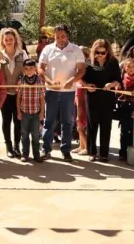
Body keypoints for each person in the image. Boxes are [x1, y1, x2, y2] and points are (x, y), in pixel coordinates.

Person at [39, 24, 86, 161]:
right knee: (49, 121)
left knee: (67, 121)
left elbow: (81, 70)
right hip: (51, 91)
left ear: (68, 36)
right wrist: (48, 81)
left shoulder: (76, 50)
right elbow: (40, 68)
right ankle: (45, 149)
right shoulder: (48, 49)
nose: (60, 39)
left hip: (68, 92)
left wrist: (72, 80)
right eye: (57, 36)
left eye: (63, 36)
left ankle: (66, 150)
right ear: (54, 36)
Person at [81, 39, 121, 162]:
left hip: (107, 98)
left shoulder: (113, 62)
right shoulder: (89, 62)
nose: (99, 55)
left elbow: (118, 80)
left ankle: (104, 154)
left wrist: (111, 84)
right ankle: (92, 152)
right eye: (97, 52)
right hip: (92, 97)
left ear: (108, 52)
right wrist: (87, 85)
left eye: (102, 53)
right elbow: (82, 79)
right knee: (92, 125)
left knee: (106, 125)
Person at [0, 28, 27, 158]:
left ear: (15, 40)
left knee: (18, 121)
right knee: (6, 121)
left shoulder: (23, 54)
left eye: (11, 39)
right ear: (3, 41)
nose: (9, 41)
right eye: (6, 39)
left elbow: (29, 72)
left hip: (19, 94)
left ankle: (17, 146)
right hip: (4, 94)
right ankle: (8, 147)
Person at [16, 58, 46, 162]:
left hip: (36, 113)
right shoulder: (21, 81)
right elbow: (18, 97)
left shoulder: (39, 81)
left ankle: (36, 155)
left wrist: (42, 112)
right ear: (23, 70)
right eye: (26, 69)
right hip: (24, 112)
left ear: (35, 69)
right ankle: (25, 154)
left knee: (36, 135)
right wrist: (19, 112)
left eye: (31, 68)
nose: (29, 71)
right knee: (24, 135)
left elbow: (42, 98)